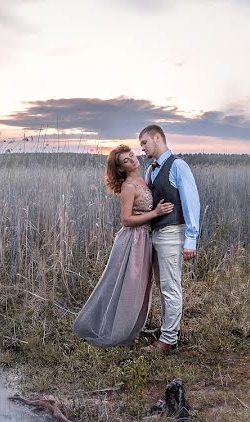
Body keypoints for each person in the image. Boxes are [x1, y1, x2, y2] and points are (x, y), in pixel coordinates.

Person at [72, 144, 174, 347]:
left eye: (131, 154)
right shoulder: (129, 186)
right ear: (121, 168)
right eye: (126, 160)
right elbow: (126, 220)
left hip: (144, 239)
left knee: (141, 286)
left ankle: (131, 327)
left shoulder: (143, 179)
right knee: (128, 286)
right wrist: (155, 213)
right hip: (133, 241)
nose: (132, 159)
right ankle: (116, 330)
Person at [137, 124, 201, 353]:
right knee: (162, 285)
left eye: (144, 142)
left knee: (171, 286)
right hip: (155, 235)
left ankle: (169, 340)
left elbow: (192, 203)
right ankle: (167, 330)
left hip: (173, 233)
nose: (142, 148)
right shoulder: (150, 171)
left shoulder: (178, 166)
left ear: (157, 137)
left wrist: (191, 240)